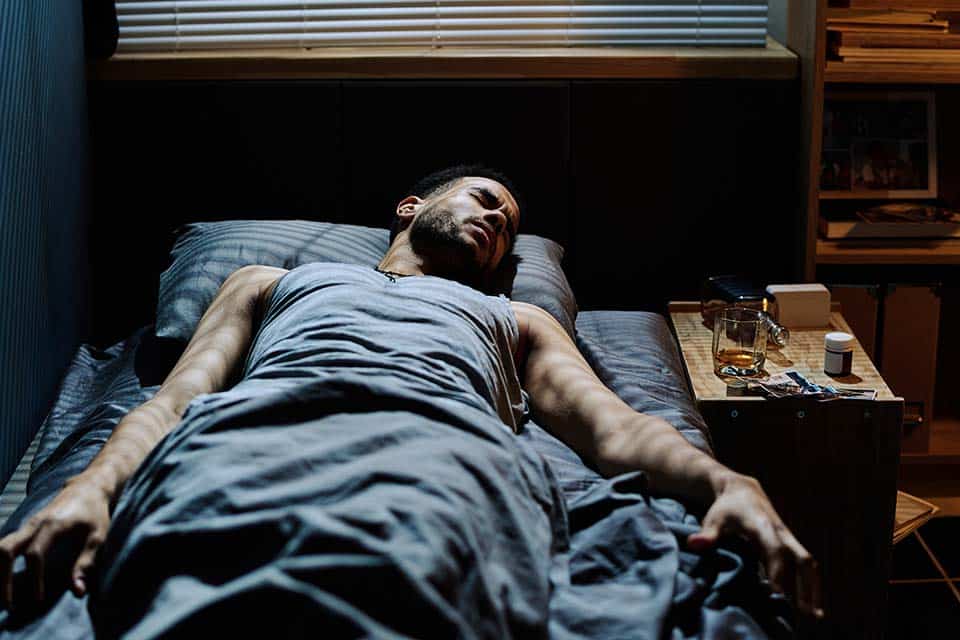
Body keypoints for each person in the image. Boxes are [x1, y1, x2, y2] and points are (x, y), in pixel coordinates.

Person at [0, 165, 821, 635]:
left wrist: (728, 484)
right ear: (410, 207)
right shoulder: (272, 281)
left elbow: (614, 431)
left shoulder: (514, 316)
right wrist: (93, 490)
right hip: (251, 443)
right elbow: (177, 398)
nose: (499, 219)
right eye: (485, 198)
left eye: (509, 223)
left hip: (442, 459)